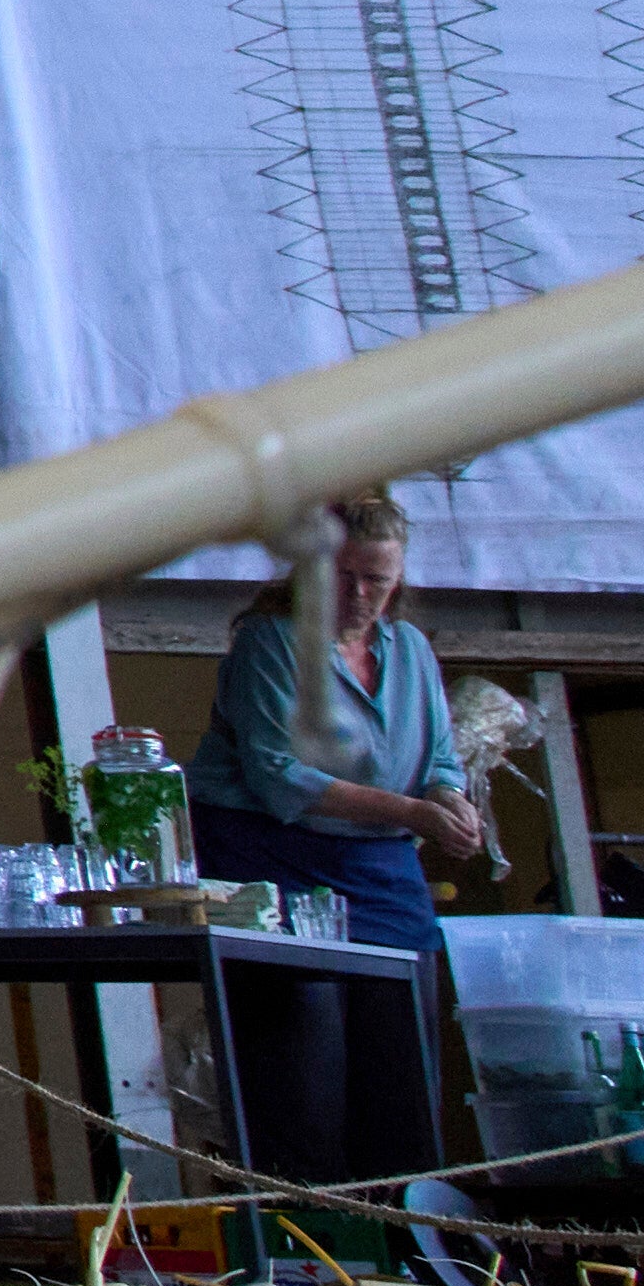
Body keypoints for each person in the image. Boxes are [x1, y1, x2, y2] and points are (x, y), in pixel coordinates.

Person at [196, 483, 487, 1198]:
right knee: (303, 1073)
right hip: (275, 862)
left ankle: (406, 1229)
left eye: (376, 581)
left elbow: (440, 759)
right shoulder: (270, 642)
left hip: (382, 869)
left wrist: (450, 800)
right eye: (343, 576)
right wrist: (414, 812)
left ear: (399, 580)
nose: (359, 595)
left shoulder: (411, 649)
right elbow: (279, 776)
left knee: (403, 1076)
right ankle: (312, 1232)